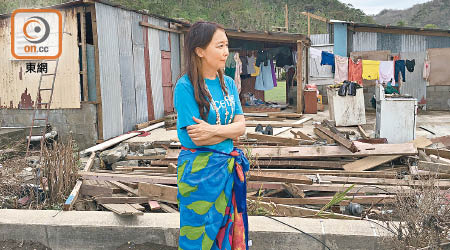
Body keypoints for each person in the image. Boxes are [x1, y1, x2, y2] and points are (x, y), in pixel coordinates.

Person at [173, 21, 250, 250]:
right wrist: (228, 135)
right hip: (199, 176)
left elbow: (241, 126)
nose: (226, 52)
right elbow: (197, 139)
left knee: (225, 234)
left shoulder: (228, 84)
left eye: (227, 45)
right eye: (219, 46)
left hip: (226, 172)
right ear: (200, 50)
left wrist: (213, 131)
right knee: (197, 237)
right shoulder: (185, 87)